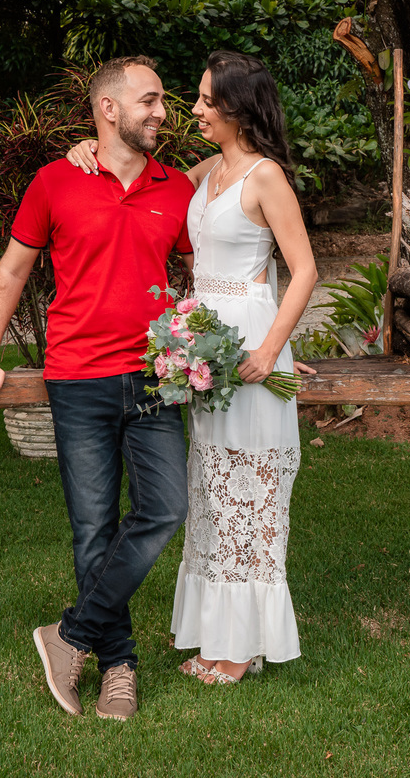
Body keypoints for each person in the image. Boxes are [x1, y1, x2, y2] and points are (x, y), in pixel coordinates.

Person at [67, 50, 318, 684]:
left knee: (251, 495)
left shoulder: (266, 177)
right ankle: (224, 635)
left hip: (251, 352)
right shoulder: (207, 172)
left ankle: (240, 650)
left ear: (238, 108)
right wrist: (83, 147)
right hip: (204, 352)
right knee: (210, 494)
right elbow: (139, 170)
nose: (195, 109)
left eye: (207, 100)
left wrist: (271, 350)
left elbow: (305, 270)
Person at [0, 55, 195, 721]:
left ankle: (70, 636)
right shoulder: (55, 182)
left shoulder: (177, 187)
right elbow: (11, 274)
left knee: (165, 509)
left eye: (165, 103)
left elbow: (210, 260)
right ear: (108, 109)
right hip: (79, 380)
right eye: (149, 100)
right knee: (93, 531)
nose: (162, 113)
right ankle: (119, 665)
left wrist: (227, 340)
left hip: (152, 379)